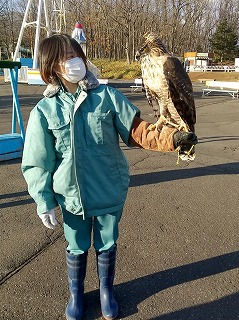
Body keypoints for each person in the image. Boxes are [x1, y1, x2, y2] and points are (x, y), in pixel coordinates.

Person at [21, 33, 197, 320]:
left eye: (75, 54)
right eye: (65, 57)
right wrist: (44, 200)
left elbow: (138, 130)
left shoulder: (107, 96)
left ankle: (106, 291)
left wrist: (173, 137)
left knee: (107, 242)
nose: (74, 61)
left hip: (108, 190)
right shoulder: (45, 110)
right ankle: (76, 295)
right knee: (76, 245)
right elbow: (36, 162)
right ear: (51, 66)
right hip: (71, 195)